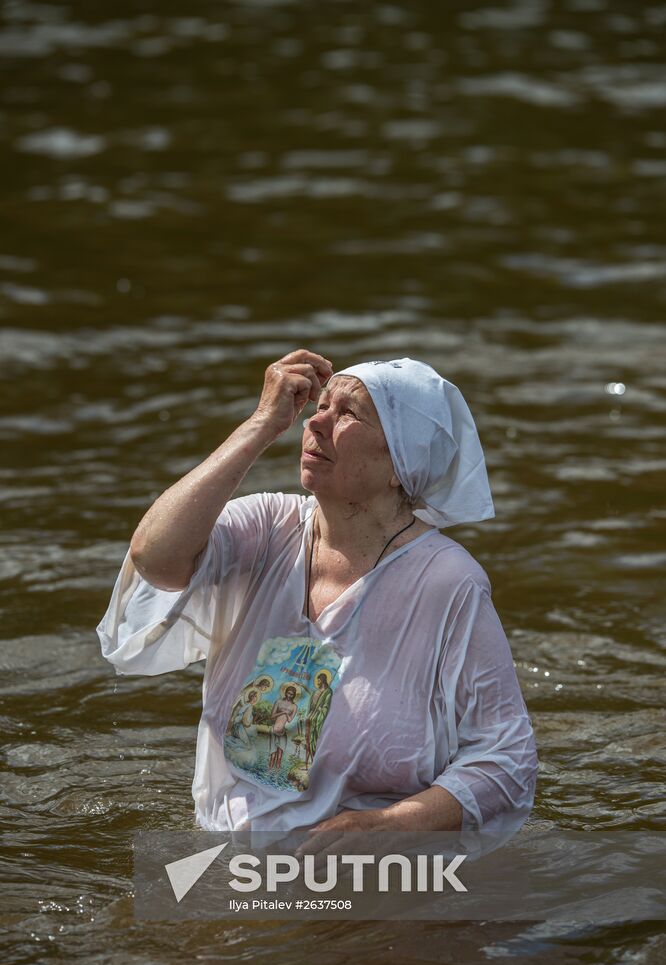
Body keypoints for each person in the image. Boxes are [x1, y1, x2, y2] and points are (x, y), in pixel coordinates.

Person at [97, 349, 538, 841]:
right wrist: (262, 424)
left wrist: (386, 826)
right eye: (319, 406)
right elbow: (154, 558)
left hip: (368, 873)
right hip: (225, 852)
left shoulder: (447, 581)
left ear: (401, 463)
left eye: (348, 413)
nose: (317, 423)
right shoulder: (267, 528)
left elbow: (506, 758)